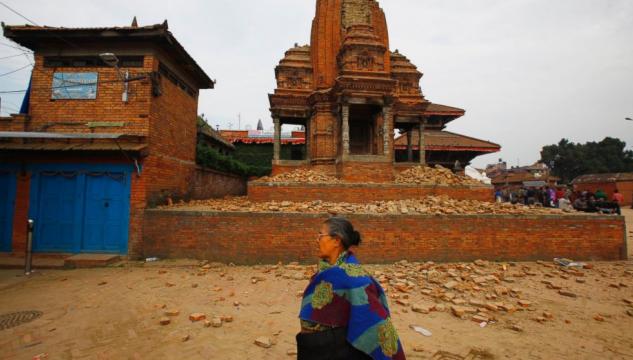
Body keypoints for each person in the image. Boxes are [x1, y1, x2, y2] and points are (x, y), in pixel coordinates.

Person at [297, 217, 406, 360]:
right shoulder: (326, 270)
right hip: (313, 347)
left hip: (334, 350)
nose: (317, 240)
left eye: (320, 235)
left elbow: (374, 321)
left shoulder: (355, 280)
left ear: (336, 240)